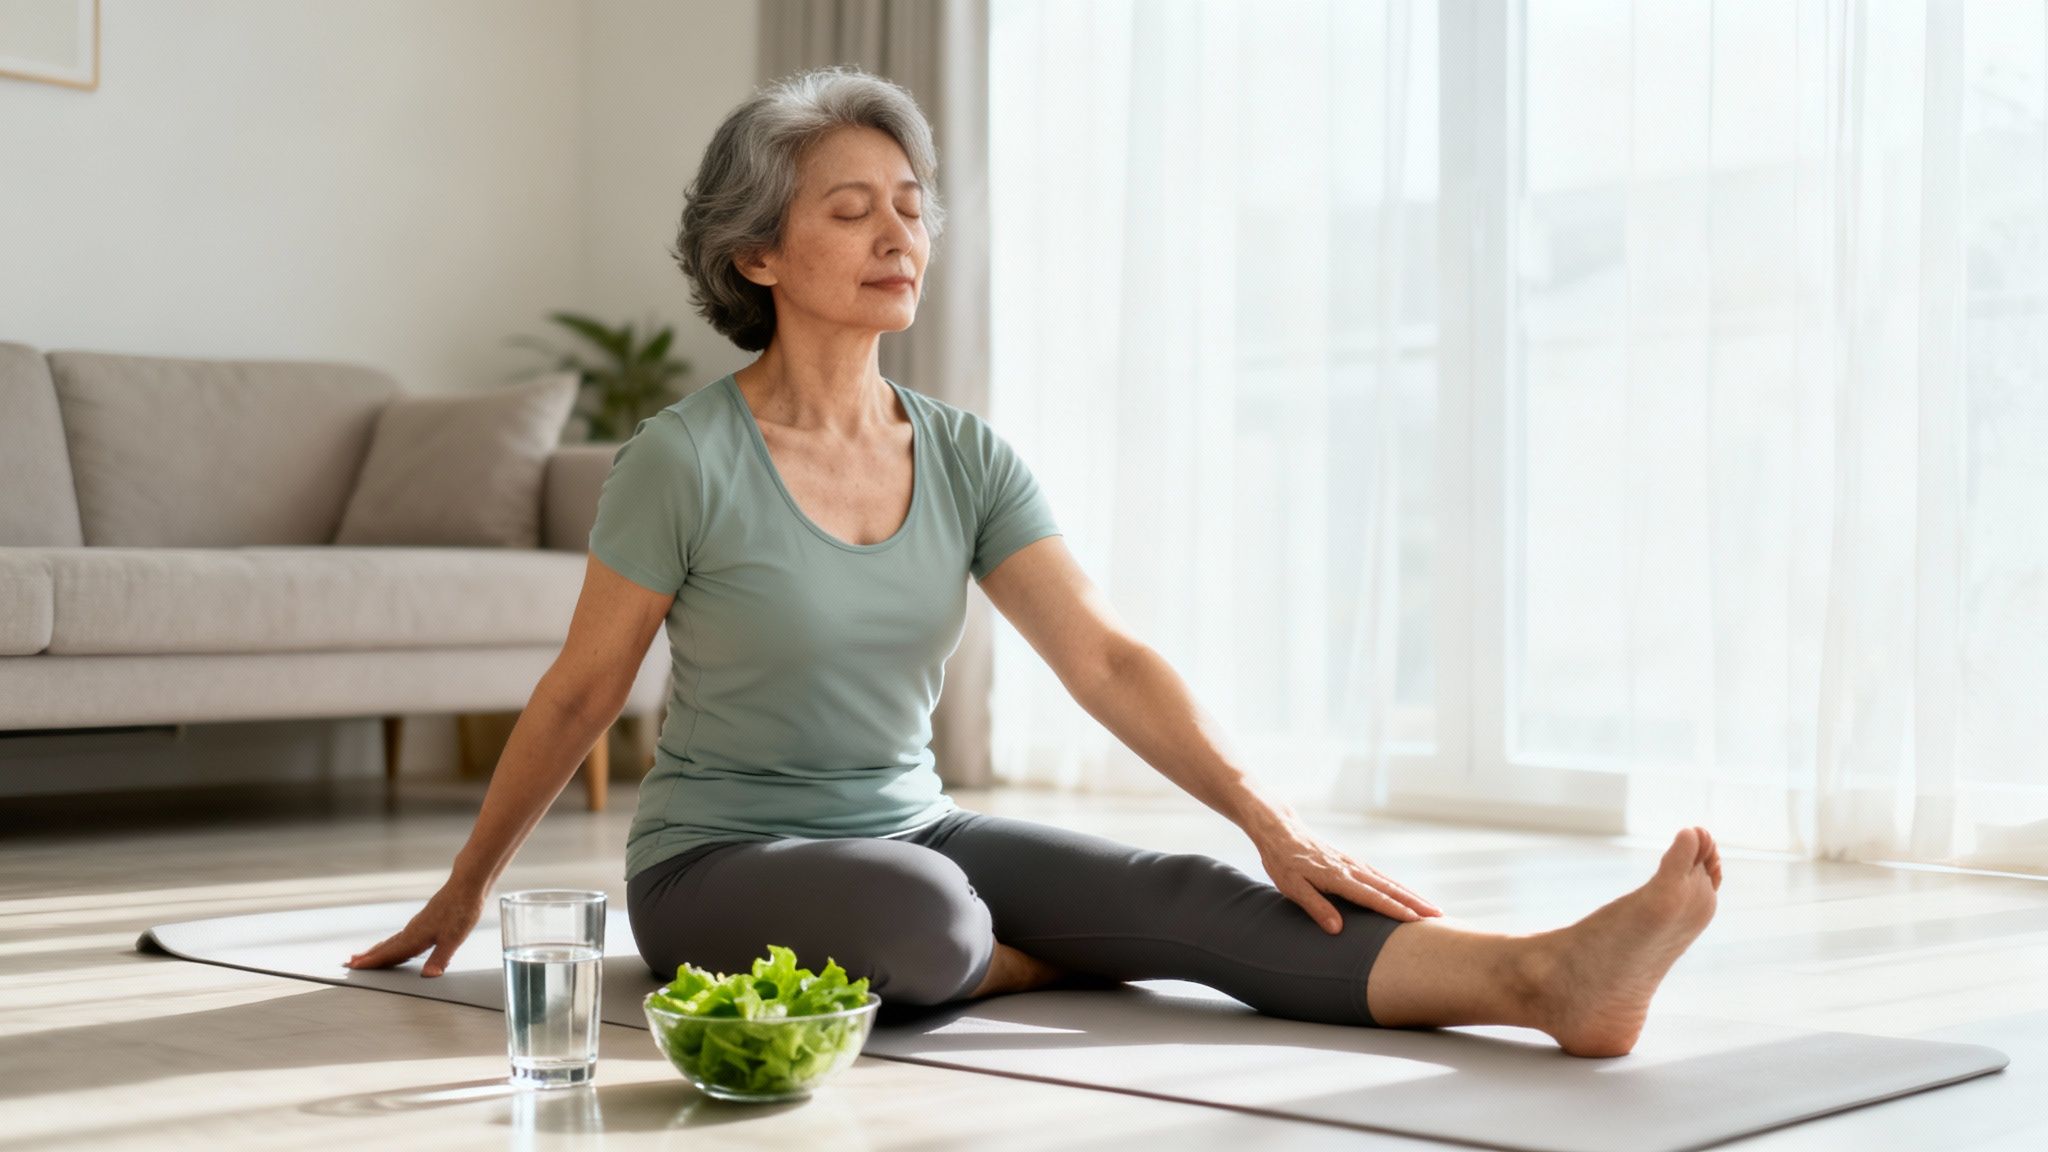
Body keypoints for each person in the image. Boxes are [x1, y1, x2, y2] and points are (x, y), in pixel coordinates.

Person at [345, 64, 1723, 1059]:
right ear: (756, 251)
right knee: (931, 920)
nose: (901, 235)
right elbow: (583, 695)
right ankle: (1072, 945)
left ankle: (1547, 980)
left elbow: (1105, 657)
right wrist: (465, 893)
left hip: (915, 824)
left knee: (1191, 892)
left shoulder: (964, 455)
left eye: (912, 207)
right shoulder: (681, 458)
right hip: (722, 860)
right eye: (851, 212)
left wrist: (1265, 816)